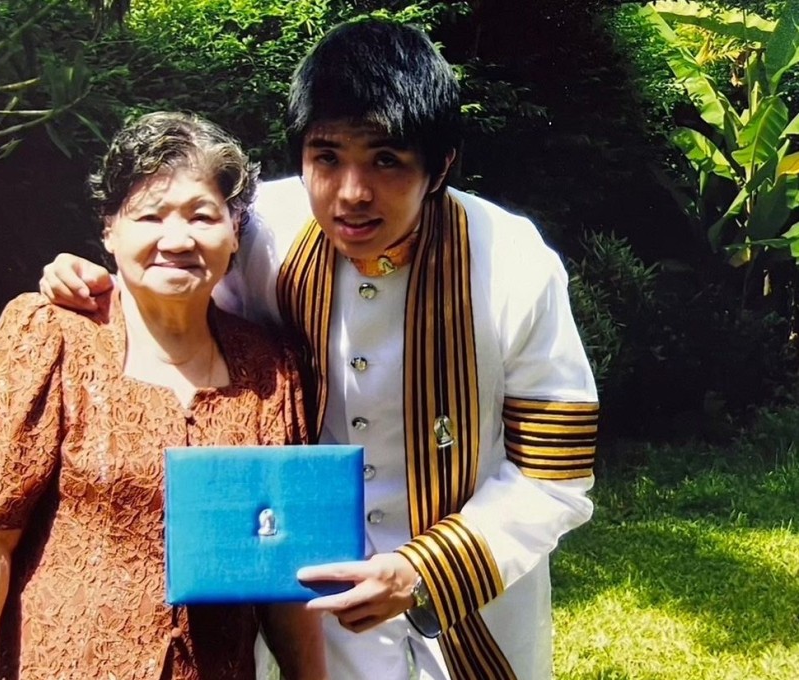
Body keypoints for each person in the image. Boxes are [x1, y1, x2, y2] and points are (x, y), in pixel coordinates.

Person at [38, 19, 599, 680]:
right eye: (327, 157)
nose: (352, 192)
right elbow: (171, 295)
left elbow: (554, 473)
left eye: (386, 159)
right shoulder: (263, 233)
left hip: (474, 603)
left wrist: (424, 572)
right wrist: (93, 283)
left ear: (440, 165)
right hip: (306, 597)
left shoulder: (512, 263)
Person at [0, 111, 326, 680]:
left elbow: (282, 571)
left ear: (235, 228)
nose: (177, 239)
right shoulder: (51, 334)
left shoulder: (271, 370)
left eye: (202, 216)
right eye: (151, 216)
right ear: (109, 230)